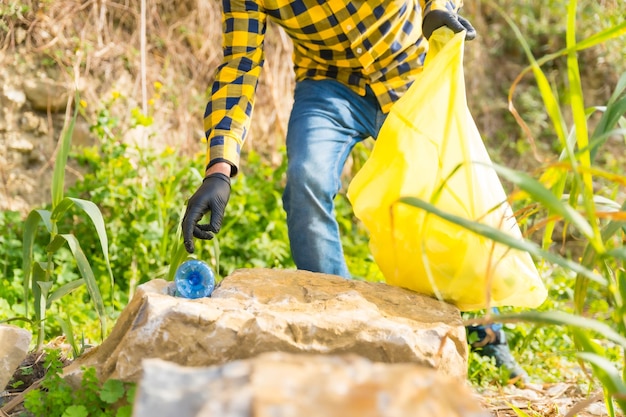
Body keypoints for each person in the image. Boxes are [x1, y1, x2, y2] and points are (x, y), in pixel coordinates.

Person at [181, 0, 525, 383]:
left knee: (450, 197)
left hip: (409, 70)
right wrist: (219, 170)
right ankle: (341, 327)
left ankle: (485, 334)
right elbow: (239, 68)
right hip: (328, 86)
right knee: (305, 180)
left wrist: (438, 8)